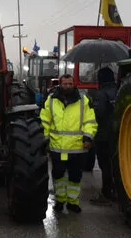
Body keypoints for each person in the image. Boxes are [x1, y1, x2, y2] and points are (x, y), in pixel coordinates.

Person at [40, 74, 98, 213]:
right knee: (58, 175)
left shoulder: (84, 101)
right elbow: (44, 121)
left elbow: (90, 121)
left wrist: (88, 138)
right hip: (57, 147)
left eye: (69, 84)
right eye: (64, 84)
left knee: (75, 177)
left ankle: (72, 202)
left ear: (74, 84)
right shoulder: (51, 101)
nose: (67, 86)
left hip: (77, 148)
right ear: (60, 84)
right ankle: (60, 201)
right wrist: (45, 138)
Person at [89, 67, 118, 206]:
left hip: (103, 135)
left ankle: (106, 193)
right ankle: (117, 191)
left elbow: (97, 113)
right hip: (118, 134)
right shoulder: (120, 90)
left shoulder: (101, 94)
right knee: (115, 163)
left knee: (105, 165)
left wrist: (90, 106)